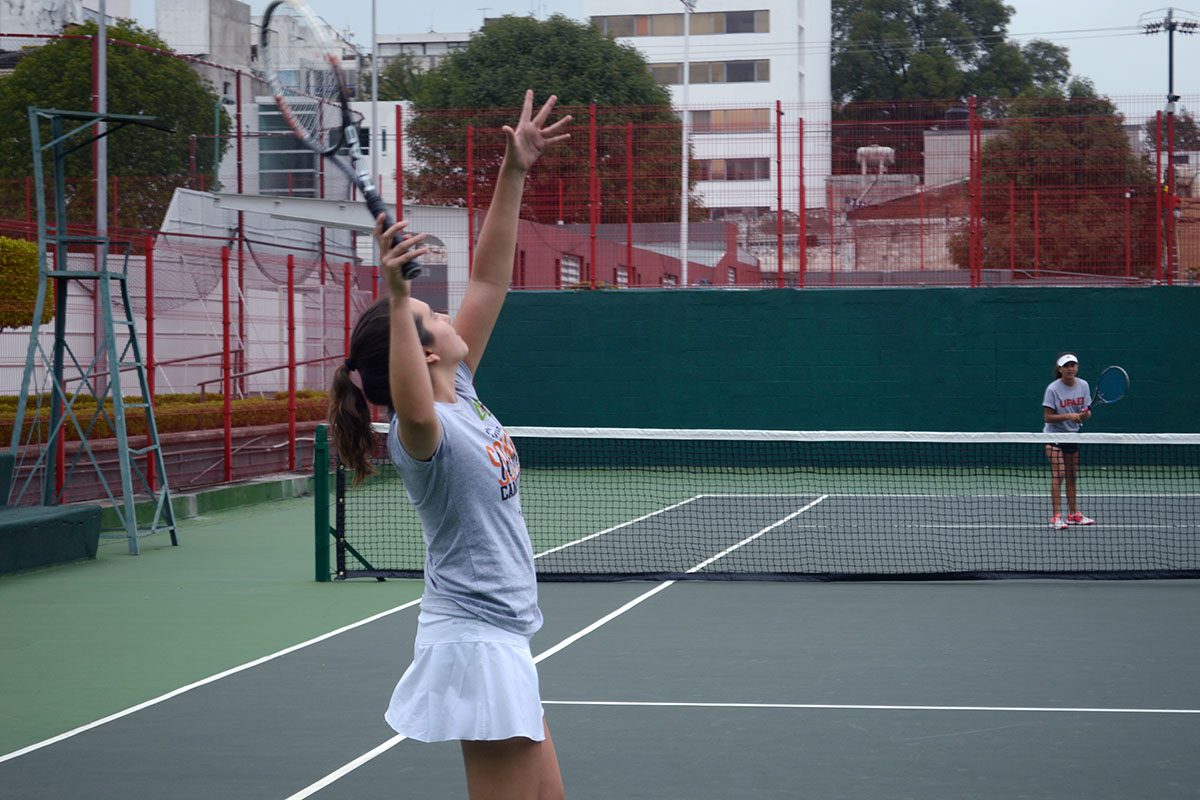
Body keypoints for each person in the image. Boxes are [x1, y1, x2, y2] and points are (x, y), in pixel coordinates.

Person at [327, 90, 571, 799]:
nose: (446, 310)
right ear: (422, 350)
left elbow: (493, 276)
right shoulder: (420, 432)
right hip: (472, 640)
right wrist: (401, 299)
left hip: (502, 635)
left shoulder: (458, 390)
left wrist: (514, 171)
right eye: (434, 316)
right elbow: (408, 393)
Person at [1042, 352, 1095, 530]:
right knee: (1060, 474)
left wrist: (1084, 415)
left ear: (1077, 368)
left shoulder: (1084, 386)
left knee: (1072, 476)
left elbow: (1086, 412)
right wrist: (1068, 416)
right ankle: (1056, 517)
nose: (1070, 369)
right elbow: (1048, 417)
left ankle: (1074, 514)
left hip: (1072, 436)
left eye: (1073, 365)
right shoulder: (1053, 389)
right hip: (1054, 436)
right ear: (1060, 369)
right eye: (1066, 366)